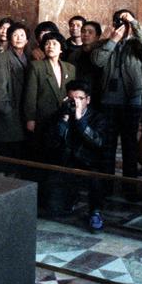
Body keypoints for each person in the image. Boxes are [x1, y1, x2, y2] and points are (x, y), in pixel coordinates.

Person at [91, 9, 142, 191]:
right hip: (108, 101)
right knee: (108, 145)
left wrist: (133, 22)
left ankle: (130, 186)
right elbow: (97, 62)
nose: (122, 26)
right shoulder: (104, 43)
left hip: (131, 101)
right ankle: (107, 185)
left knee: (130, 145)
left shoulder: (137, 44)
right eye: (119, 21)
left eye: (125, 23)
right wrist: (112, 41)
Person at [45, 79, 106, 231]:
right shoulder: (61, 114)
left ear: (88, 100)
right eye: (72, 99)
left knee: (96, 179)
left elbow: (98, 142)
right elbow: (51, 142)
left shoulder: (97, 118)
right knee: (55, 208)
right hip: (65, 161)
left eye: (80, 98)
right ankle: (69, 199)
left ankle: (95, 211)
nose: (76, 103)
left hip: (88, 162)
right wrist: (63, 120)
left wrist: (80, 120)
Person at [24, 32, 76, 161]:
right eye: (47, 44)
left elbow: (72, 94)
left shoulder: (70, 68)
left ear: (61, 48)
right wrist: (30, 119)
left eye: (54, 44)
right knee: (42, 154)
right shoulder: (37, 66)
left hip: (63, 118)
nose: (50, 46)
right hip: (42, 119)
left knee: (61, 154)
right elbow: (30, 95)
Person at [0, 22, 29, 170]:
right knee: (5, 160)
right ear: (10, 38)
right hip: (8, 116)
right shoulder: (2, 58)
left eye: (22, 35)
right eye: (15, 35)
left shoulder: (28, 58)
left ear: (27, 40)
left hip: (22, 115)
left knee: (18, 160)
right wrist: (7, 112)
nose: (19, 38)